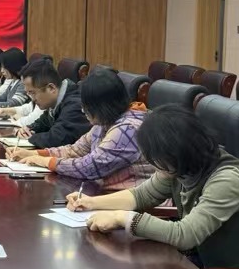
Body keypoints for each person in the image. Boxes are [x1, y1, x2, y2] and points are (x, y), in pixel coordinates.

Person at [67, 105, 239, 269]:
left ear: (174, 153)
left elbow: (185, 235)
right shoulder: (182, 167)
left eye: (155, 159)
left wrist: (123, 218)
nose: (154, 166)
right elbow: (141, 195)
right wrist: (90, 202)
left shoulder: (227, 180)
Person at [12, 69, 154, 191]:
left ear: (101, 106)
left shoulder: (128, 128)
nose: (82, 110)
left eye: (86, 106)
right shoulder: (104, 123)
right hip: (107, 197)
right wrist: (33, 154)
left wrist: (43, 161)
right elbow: (75, 150)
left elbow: (89, 167)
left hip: (137, 207)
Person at [3, 59, 90, 149]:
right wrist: (27, 129)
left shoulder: (75, 105)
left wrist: (30, 137)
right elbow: (42, 123)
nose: (32, 100)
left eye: (33, 93)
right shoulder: (56, 102)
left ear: (51, 88)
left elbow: (56, 139)